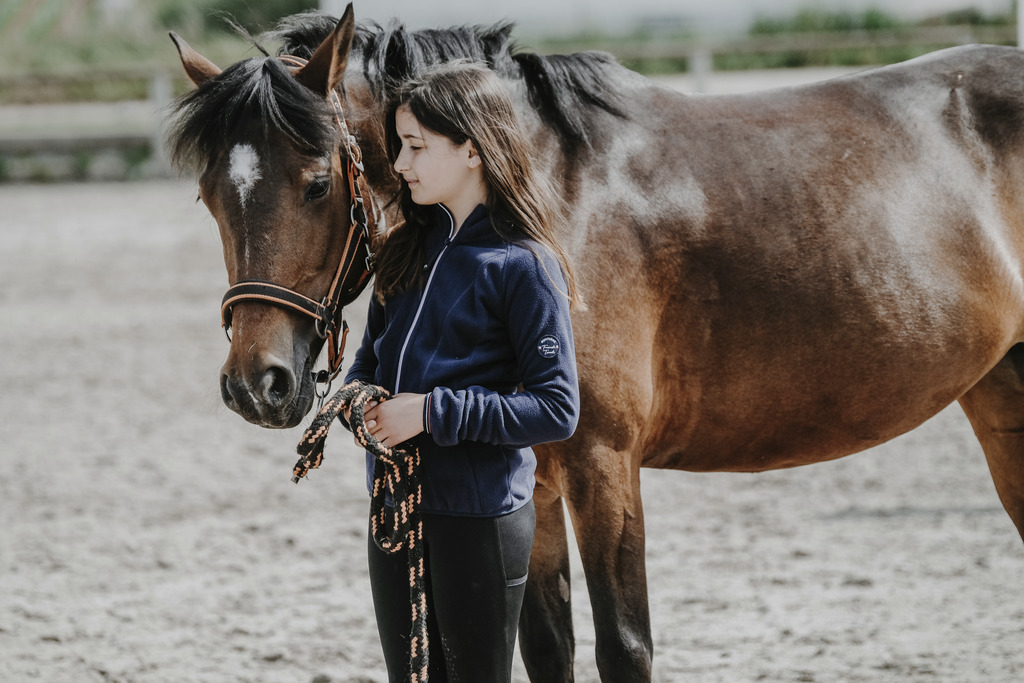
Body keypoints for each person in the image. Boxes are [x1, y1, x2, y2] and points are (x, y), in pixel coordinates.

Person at [343, 61, 582, 682]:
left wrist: (428, 411)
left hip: (479, 519)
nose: (399, 163)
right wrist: (356, 402)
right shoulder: (403, 251)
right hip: (395, 507)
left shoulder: (523, 266)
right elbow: (369, 361)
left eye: (416, 146)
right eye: (399, 146)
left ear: (472, 148)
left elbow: (557, 408)